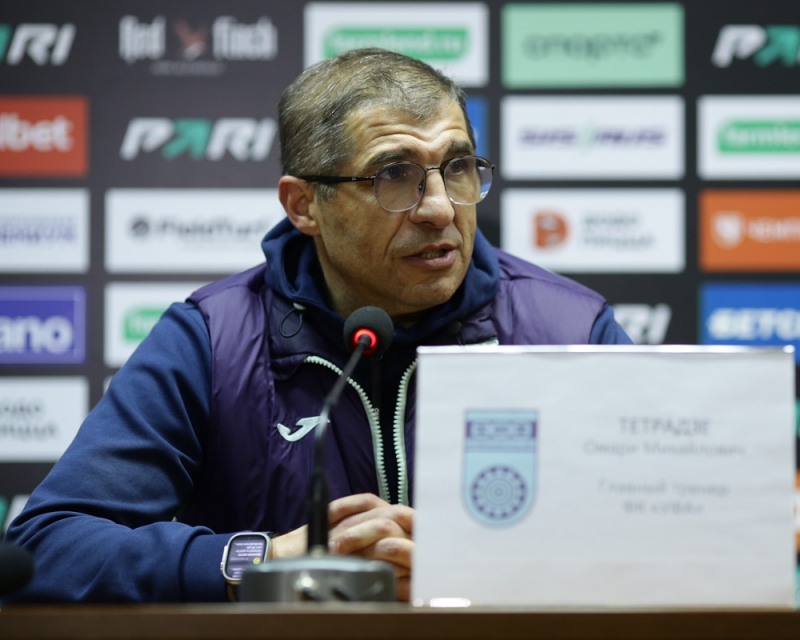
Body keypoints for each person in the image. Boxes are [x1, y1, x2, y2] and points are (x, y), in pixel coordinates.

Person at [4, 48, 631, 603]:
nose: (440, 208)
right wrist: (262, 562)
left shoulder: (571, 330)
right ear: (304, 205)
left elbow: (665, 539)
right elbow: (46, 547)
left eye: (458, 166)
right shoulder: (213, 341)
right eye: (395, 176)